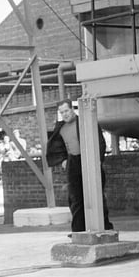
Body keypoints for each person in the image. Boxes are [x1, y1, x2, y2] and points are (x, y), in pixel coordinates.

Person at [46, 99, 113, 232]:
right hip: (73, 162)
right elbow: (57, 145)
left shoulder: (84, 122)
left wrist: (98, 160)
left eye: (66, 111)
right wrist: (64, 159)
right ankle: (78, 230)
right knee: (75, 198)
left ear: (72, 109)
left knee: (96, 195)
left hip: (88, 159)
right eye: (61, 112)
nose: (64, 114)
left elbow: (99, 141)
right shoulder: (60, 128)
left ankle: (105, 227)